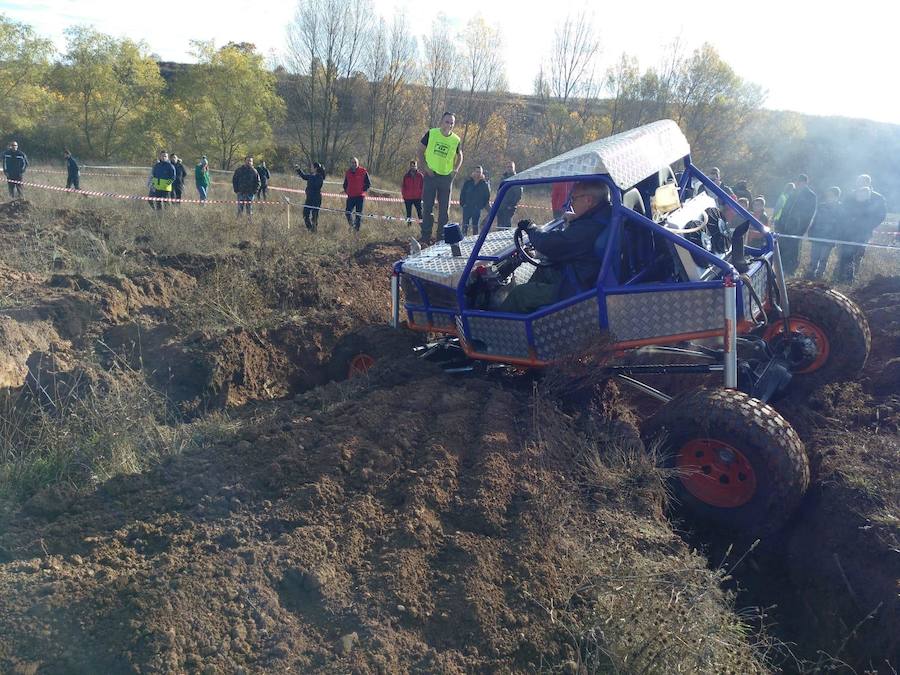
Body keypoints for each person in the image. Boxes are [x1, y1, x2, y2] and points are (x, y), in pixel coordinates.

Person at [499, 181, 612, 314]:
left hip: (577, 289)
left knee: (520, 294)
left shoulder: (588, 228)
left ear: (588, 200)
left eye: (573, 199)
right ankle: (532, 313)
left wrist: (531, 229)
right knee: (545, 269)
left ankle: (495, 331)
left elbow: (549, 244)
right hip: (585, 275)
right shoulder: (603, 215)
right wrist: (574, 220)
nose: (571, 204)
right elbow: (566, 242)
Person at [418, 112, 463, 241]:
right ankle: (425, 236)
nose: (449, 125)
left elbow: (460, 155)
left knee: (444, 211)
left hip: (446, 178)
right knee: (427, 207)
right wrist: (425, 167)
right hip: (431, 176)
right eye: (447, 122)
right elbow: (420, 150)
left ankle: (441, 238)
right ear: (441, 121)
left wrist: (456, 169)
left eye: (451, 123)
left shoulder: (456, 140)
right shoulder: (431, 133)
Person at [835, 174, 886, 283]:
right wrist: (844, 223)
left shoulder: (877, 198)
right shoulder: (851, 195)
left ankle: (850, 280)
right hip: (847, 232)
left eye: (862, 182)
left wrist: (867, 225)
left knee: (857, 255)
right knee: (844, 254)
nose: (859, 184)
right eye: (858, 181)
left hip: (863, 233)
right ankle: (839, 278)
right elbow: (842, 211)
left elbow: (881, 215)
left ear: (868, 183)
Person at [775, 173, 817, 276]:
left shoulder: (811, 195)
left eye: (801, 182)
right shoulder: (793, 192)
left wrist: (802, 229)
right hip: (784, 226)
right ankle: (781, 269)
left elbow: (809, 214)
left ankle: (790, 270)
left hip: (797, 228)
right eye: (797, 181)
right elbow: (785, 208)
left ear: (806, 182)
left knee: (794, 250)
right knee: (782, 248)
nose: (798, 184)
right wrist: (780, 222)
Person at [805, 186, 843, 280]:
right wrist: (811, 232)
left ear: (837, 197)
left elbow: (840, 225)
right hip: (817, 235)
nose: (829, 197)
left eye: (831, 195)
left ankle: (819, 275)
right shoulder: (821, 206)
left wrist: (835, 237)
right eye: (828, 195)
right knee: (814, 258)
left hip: (829, 238)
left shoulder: (840, 208)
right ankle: (810, 274)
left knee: (823, 259)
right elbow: (815, 220)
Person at [458, 166, 491, 236]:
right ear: (473, 172)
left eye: (479, 172)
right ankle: (463, 240)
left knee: (475, 227)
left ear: (482, 174)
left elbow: (487, 197)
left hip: (477, 209)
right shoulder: (468, 182)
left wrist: (480, 206)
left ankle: (475, 242)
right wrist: (463, 204)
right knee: (464, 226)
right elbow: (462, 193)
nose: (478, 174)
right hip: (467, 207)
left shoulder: (484, 184)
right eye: (476, 172)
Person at [296, 162, 326, 232]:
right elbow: (303, 176)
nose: (311, 168)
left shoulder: (320, 177)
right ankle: (310, 229)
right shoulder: (311, 176)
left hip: (316, 199)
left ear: (315, 168)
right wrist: (298, 170)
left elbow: (316, 186)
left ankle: (314, 231)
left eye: (312, 167)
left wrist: (311, 179)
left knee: (314, 217)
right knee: (305, 214)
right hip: (309, 199)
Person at [343, 157, 370, 231]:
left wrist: (362, 190)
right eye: (352, 162)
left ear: (358, 163)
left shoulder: (363, 171)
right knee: (348, 212)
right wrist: (347, 191)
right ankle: (352, 225)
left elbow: (368, 184)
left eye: (355, 162)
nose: (354, 164)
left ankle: (356, 230)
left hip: (360, 197)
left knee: (358, 214)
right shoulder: (348, 172)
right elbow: (345, 184)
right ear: (350, 163)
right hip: (351, 196)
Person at [496, 160, 523, 228]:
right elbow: (499, 191)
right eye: (508, 167)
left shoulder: (516, 178)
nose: (509, 168)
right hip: (500, 206)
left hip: (509, 208)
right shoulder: (503, 178)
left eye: (511, 167)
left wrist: (511, 205)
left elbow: (518, 194)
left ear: (514, 168)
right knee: (499, 226)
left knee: (507, 226)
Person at [401, 159, 424, 225]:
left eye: (414, 166)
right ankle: (409, 226)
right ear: (410, 166)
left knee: (420, 213)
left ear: (416, 166)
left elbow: (423, 187)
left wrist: (422, 195)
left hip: (417, 197)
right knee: (408, 214)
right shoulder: (406, 176)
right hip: (408, 198)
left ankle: (422, 227)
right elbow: (403, 186)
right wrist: (404, 196)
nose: (413, 167)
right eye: (412, 166)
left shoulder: (420, 176)